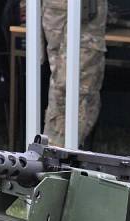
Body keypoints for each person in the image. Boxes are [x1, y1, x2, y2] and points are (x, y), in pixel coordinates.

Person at [41, 0, 107, 147]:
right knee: (75, 92)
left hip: (63, 12)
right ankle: (58, 155)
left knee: (66, 89)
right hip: (77, 13)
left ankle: (55, 154)